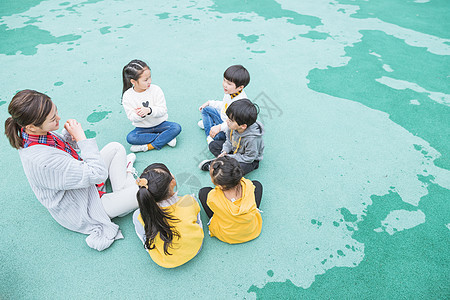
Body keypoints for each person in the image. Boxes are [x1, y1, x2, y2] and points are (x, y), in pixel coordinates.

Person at [4, 90, 139, 251]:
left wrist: (67, 136)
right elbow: (97, 174)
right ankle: (125, 190)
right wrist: (81, 138)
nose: (58, 118)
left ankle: (122, 197)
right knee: (145, 192)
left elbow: (63, 151)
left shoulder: (31, 134)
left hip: (83, 187)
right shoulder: (43, 161)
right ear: (32, 126)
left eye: (56, 113)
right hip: (83, 207)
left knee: (115, 148)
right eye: (53, 119)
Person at [133, 163, 204, 268]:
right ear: (173, 182)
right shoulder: (189, 200)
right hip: (196, 248)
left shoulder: (139, 215)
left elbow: (144, 237)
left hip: (165, 261)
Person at [198, 156, 262, 244]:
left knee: (203, 192)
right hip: (251, 230)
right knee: (257, 185)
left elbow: (213, 205)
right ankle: (252, 210)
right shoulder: (248, 185)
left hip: (227, 235)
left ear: (220, 186)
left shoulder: (212, 197)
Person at [122, 59, 181, 152]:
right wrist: (140, 115)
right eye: (145, 80)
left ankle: (148, 146)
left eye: (150, 77)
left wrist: (149, 110)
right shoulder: (127, 96)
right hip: (143, 128)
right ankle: (166, 138)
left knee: (176, 127)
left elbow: (163, 110)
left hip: (160, 124)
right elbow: (131, 117)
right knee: (131, 138)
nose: (149, 81)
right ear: (133, 82)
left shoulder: (156, 89)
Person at [199, 98, 264, 175]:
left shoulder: (252, 139)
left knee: (239, 169)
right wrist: (225, 151)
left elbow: (249, 158)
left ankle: (221, 165)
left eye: (230, 120)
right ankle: (223, 163)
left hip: (249, 160)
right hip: (235, 149)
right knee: (213, 145)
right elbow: (229, 141)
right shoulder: (231, 127)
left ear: (243, 126)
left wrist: (229, 157)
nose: (227, 121)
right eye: (228, 118)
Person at [198, 65, 250, 144]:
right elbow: (224, 105)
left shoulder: (240, 102)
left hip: (230, 126)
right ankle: (209, 126)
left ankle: (209, 134)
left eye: (229, 83)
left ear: (240, 87)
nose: (225, 85)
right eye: (224, 80)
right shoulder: (230, 92)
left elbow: (234, 123)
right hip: (223, 118)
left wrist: (220, 127)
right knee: (206, 109)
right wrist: (210, 103)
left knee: (218, 137)